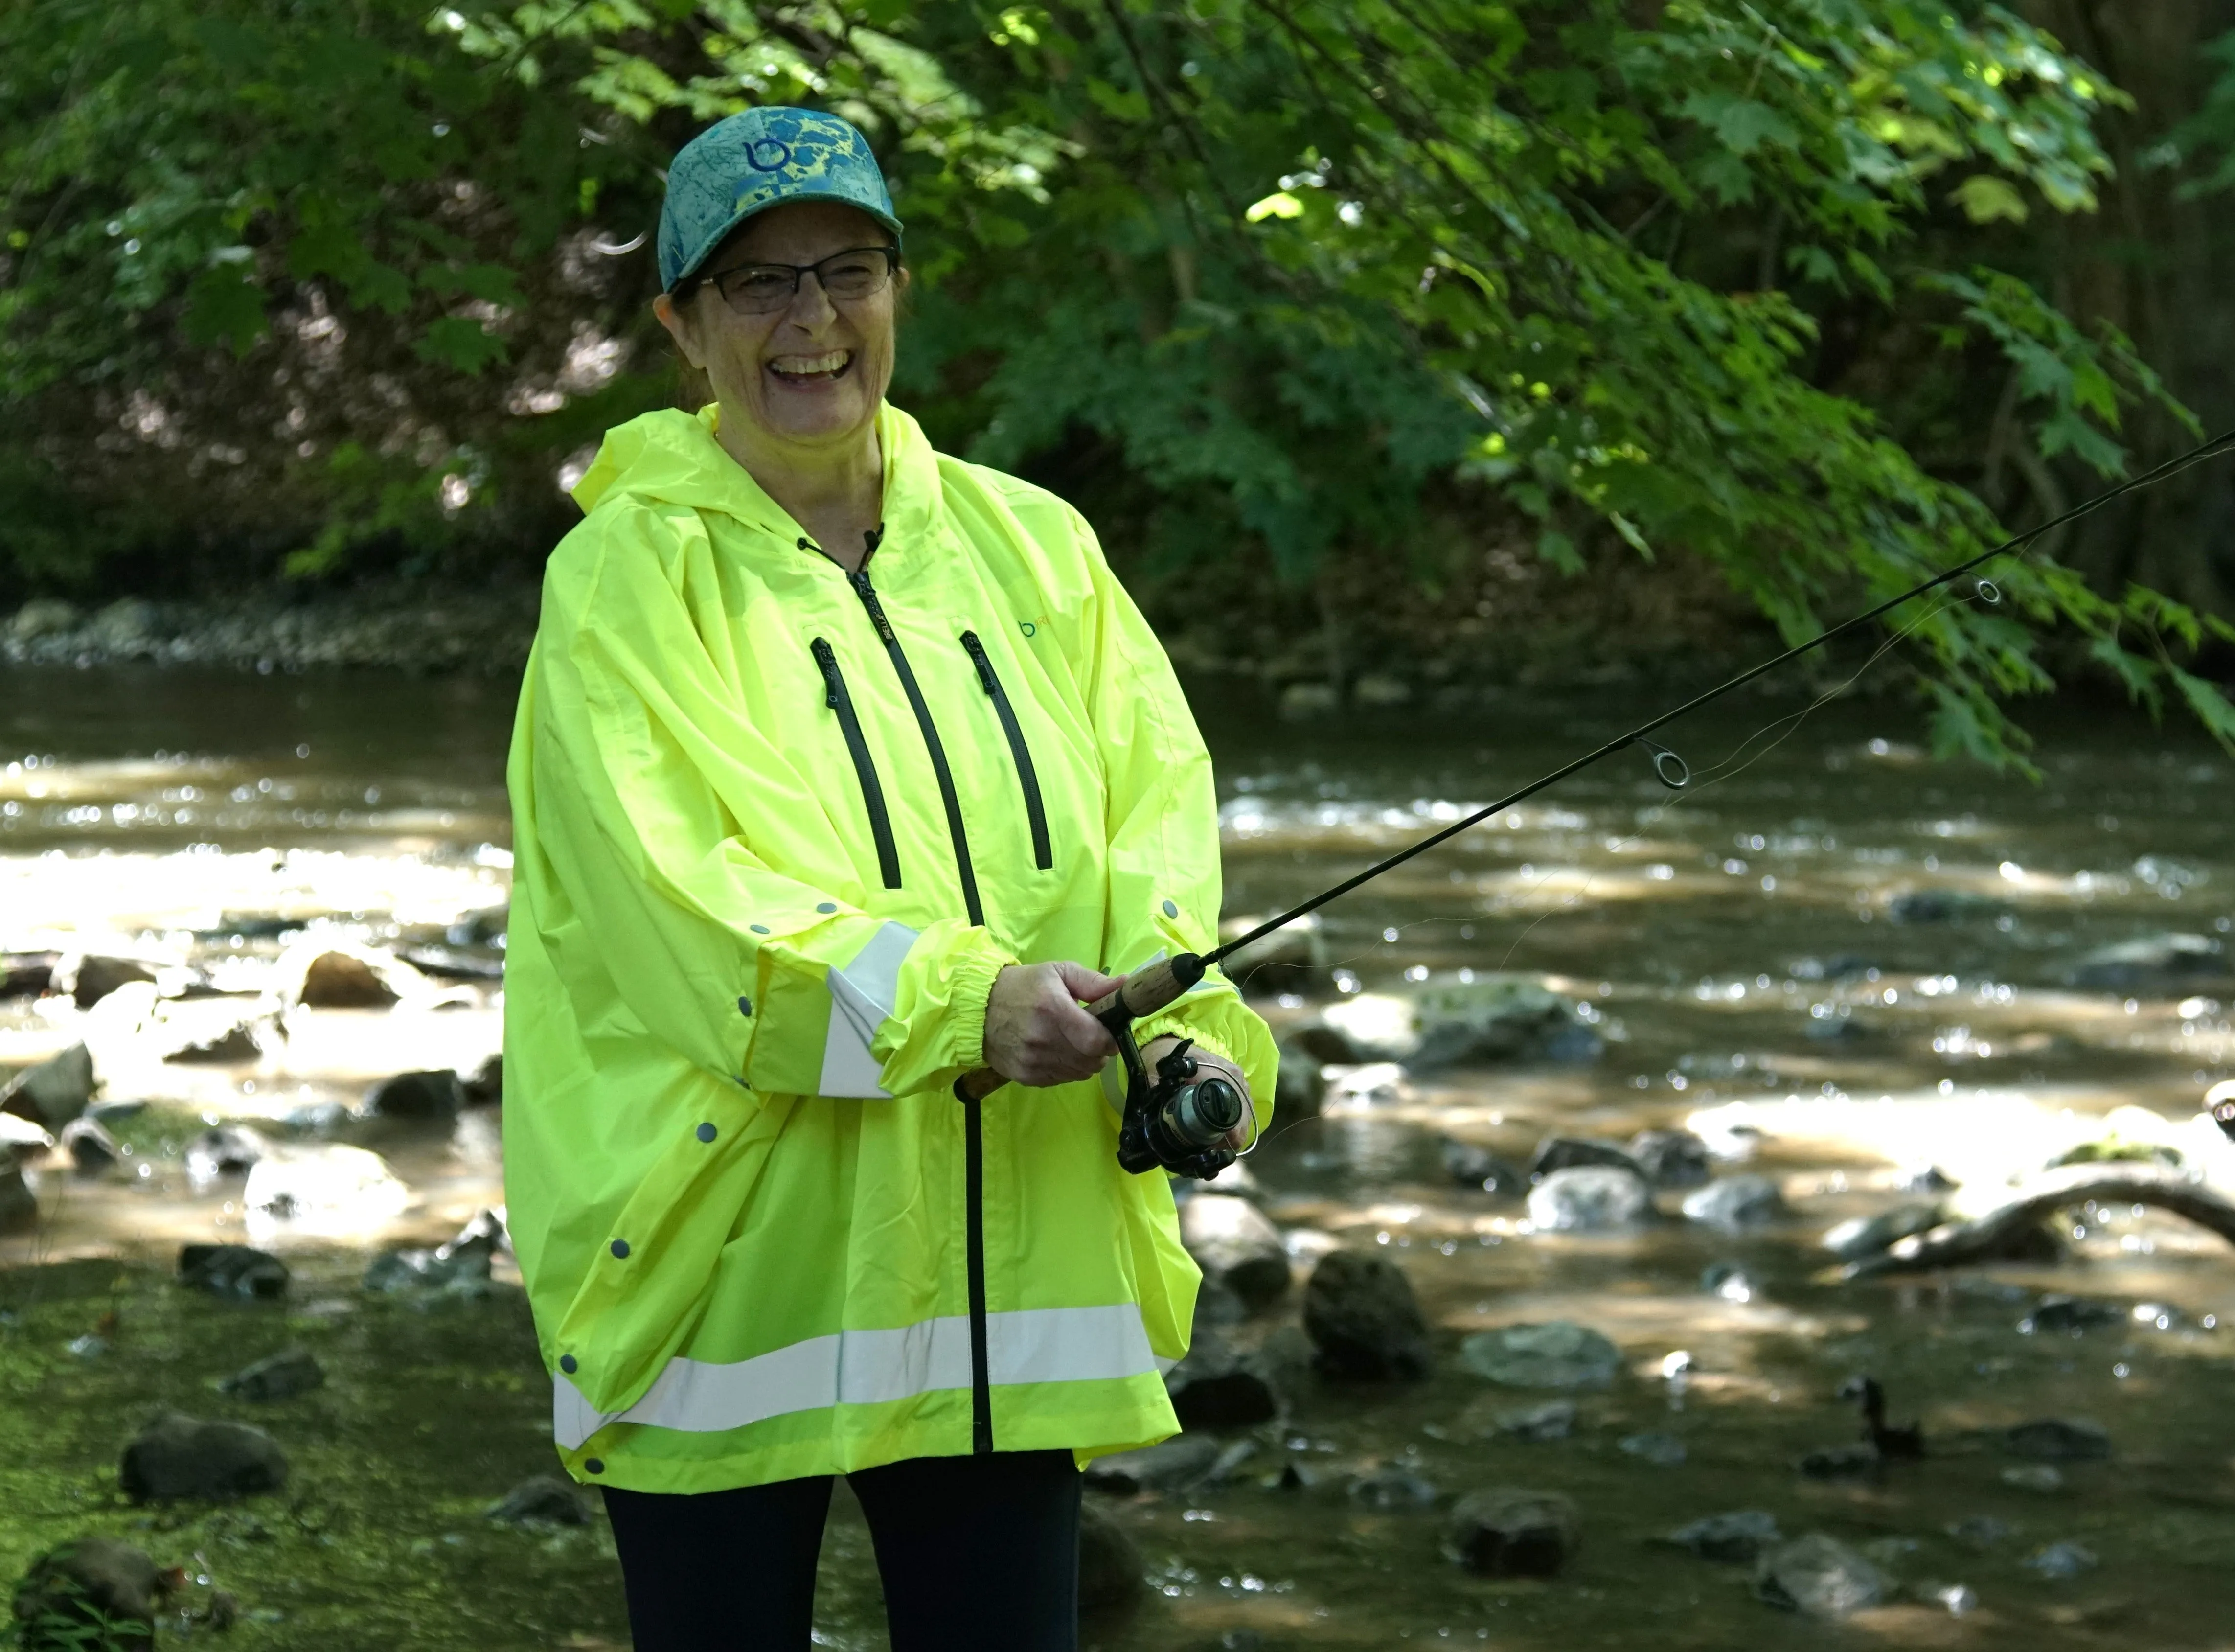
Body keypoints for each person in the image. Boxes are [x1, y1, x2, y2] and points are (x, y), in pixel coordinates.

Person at [502, 105, 1278, 1651]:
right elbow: (683, 900)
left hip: (1007, 1268)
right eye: (757, 286)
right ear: (682, 325)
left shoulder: (1036, 545)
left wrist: (1190, 1037)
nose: (811, 323)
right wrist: (969, 1007)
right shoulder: (621, 581)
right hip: (730, 1269)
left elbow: (1155, 835)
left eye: (845, 271)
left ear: (898, 290)